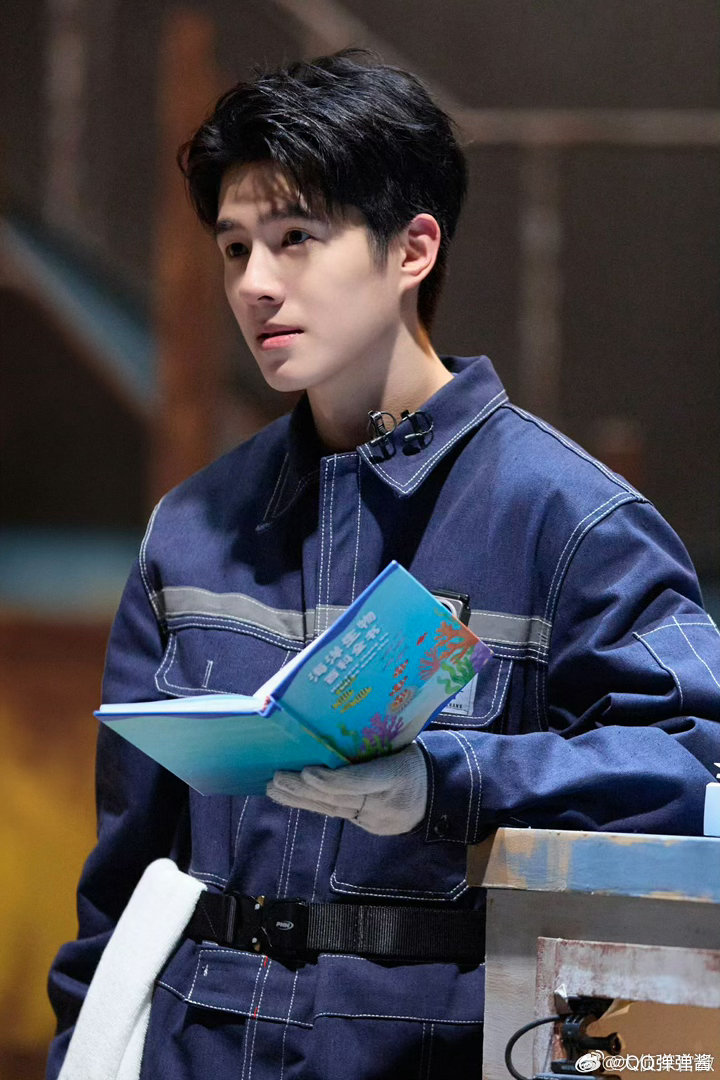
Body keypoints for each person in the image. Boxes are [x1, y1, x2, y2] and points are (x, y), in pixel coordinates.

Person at [47, 50, 719, 1079]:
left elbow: (690, 760)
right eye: (234, 247)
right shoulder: (190, 530)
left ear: (413, 249)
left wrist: (447, 781)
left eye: (296, 239)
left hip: (436, 1046)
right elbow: (125, 872)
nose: (255, 283)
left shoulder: (568, 521)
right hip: (198, 1043)